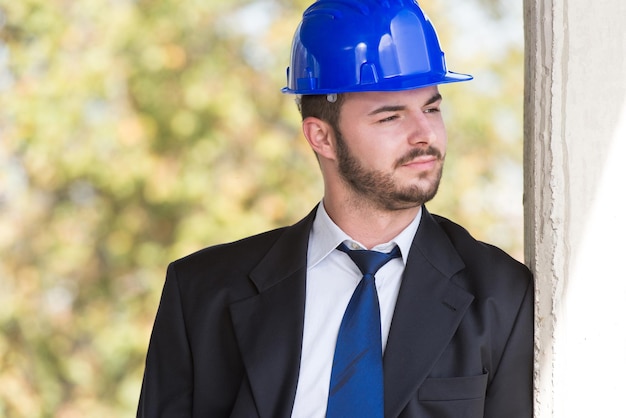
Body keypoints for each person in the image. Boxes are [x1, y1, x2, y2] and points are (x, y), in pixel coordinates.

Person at [137, 0, 534, 417]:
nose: (425, 134)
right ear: (321, 137)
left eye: (431, 108)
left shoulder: (500, 294)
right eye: (390, 117)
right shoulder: (202, 293)